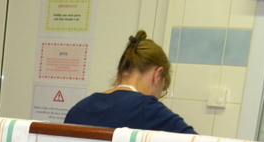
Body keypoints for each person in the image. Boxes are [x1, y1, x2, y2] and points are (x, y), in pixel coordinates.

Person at [64, 30, 197, 134]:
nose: (157, 97)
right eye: (162, 88)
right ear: (157, 74)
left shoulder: (79, 109)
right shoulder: (149, 109)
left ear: (119, 73)